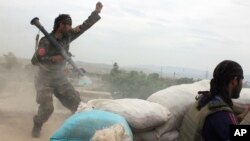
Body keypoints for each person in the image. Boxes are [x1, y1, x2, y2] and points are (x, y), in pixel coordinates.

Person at [31, 2, 103, 138]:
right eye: (68, 24)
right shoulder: (45, 41)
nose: (70, 27)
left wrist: (96, 13)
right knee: (47, 108)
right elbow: (35, 60)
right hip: (43, 78)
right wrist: (53, 59)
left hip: (58, 77)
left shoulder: (68, 36)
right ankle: (37, 125)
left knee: (76, 103)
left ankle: (77, 130)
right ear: (61, 25)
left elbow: (83, 27)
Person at [178, 60, 247, 141]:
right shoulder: (219, 112)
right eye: (241, 80)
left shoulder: (204, 100)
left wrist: (242, 116)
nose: (241, 84)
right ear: (235, 80)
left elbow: (221, 125)